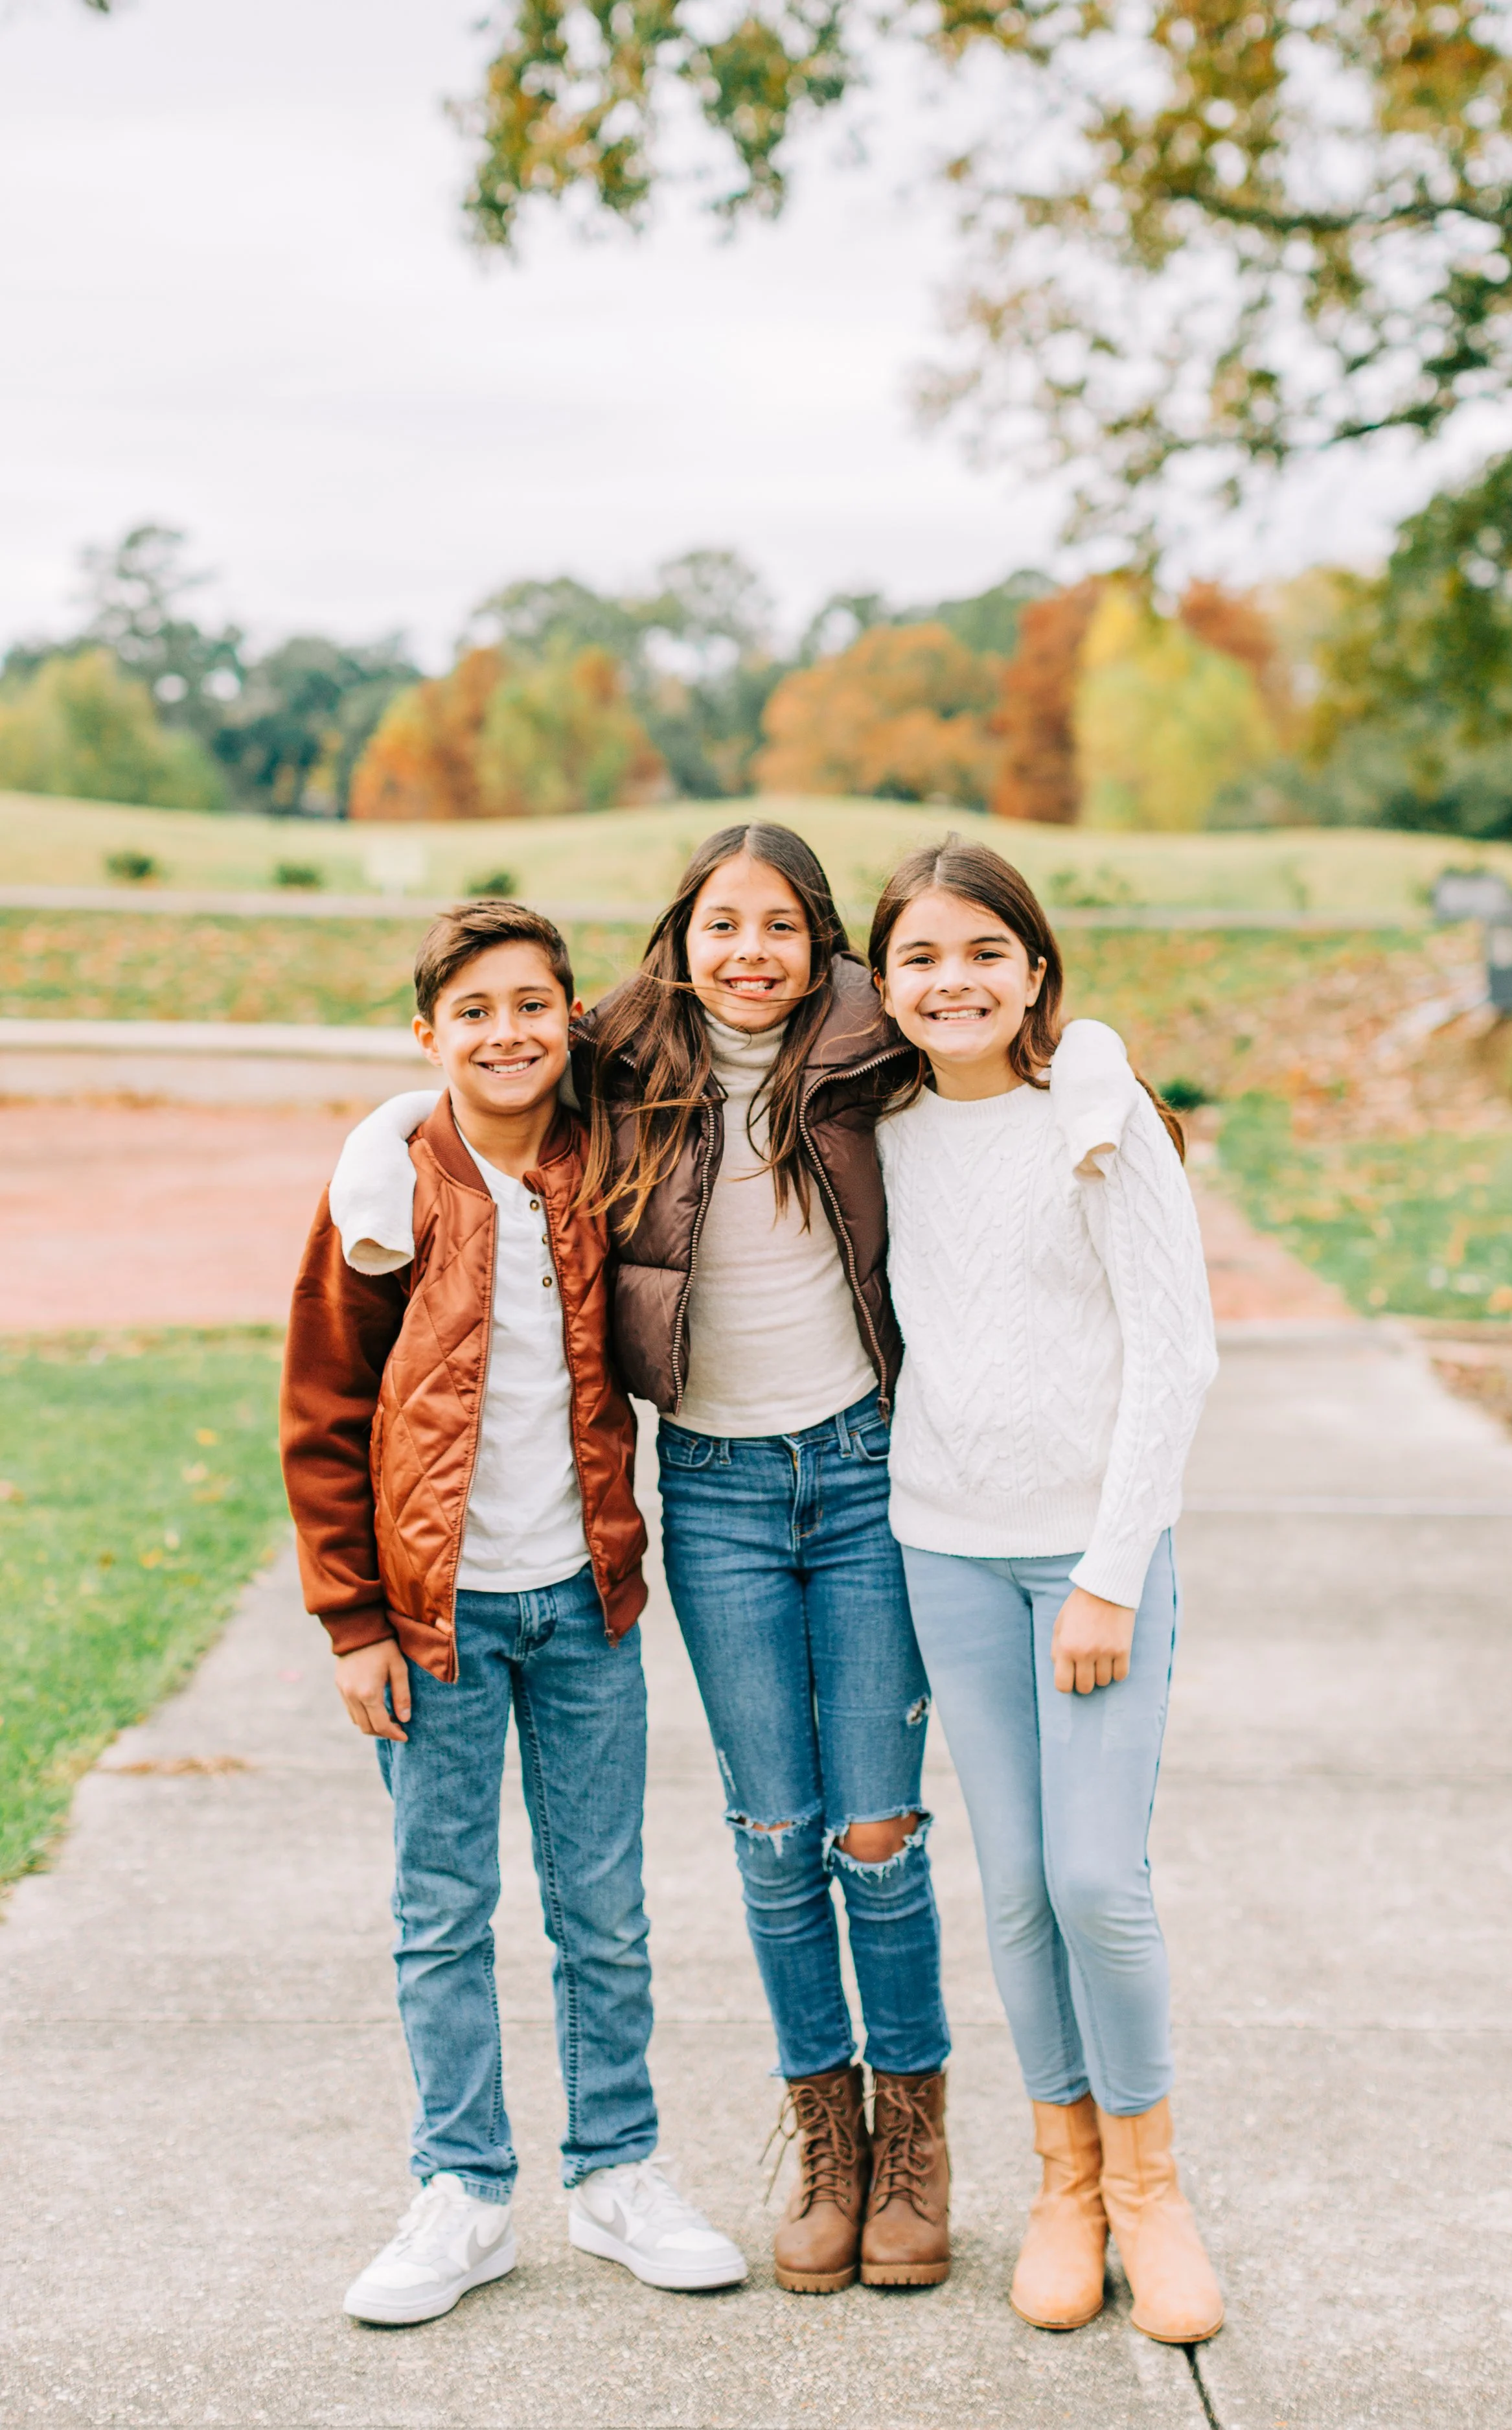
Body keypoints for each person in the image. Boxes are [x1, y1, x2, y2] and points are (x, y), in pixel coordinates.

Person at [328, 827, 954, 2297]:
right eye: (719, 925)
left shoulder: (873, 1050)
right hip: (713, 1496)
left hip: (855, 1476)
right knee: (763, 1836)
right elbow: (485, 1048)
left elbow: (1013, 1028)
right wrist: (379, 1132)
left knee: (868, 1833)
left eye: (781, 928)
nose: (749, 953)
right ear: (673, 942)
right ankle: (800, 2145)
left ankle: (901, 2143)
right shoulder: (621, 1060)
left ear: (824, 946)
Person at [281, 898, 746, 2328]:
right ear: (426, 1035)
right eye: (473, 1011)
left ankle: (616, 2171)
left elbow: (710, 1010)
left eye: (534, 1005)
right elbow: (322, 1407)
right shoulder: (386, 1185)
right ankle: (462, 2192)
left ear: (572, 1020)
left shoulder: (601, 1158)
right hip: (434, 1623)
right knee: (441, 1910)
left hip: (584, 1602)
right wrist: (351, 1621)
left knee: (602, 1910)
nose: (507, 1033)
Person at [867, 838, 1224, 2346]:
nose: (951, 983)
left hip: (1090, 1566)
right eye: (919, 960)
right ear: (878, 986)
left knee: (1096, 1880)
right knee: (1011, 1886)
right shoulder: (872, 1126)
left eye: (981, 954)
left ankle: (1151, 2190)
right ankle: (1062, 2183)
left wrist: (1105, 1574)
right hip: (940, 1544)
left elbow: (1176, 1353)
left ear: (1032, 970)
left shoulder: (1099, 1117)